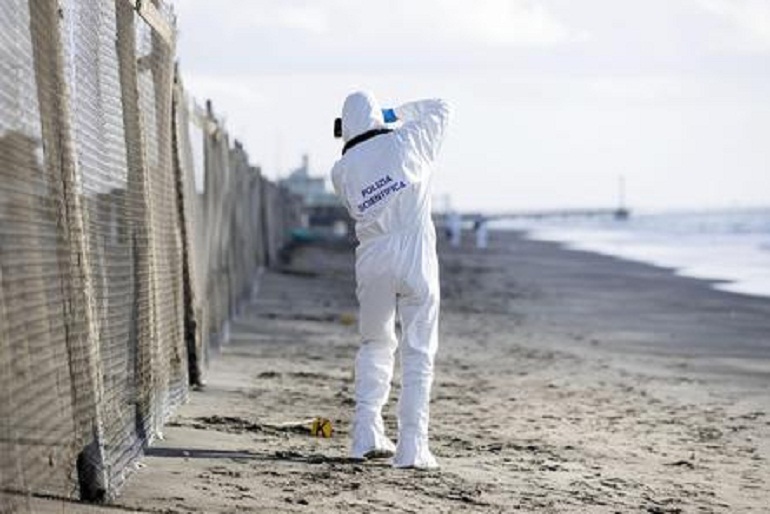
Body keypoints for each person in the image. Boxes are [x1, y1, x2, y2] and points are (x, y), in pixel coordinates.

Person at [330, 91, 451, 469]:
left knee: (376, 343)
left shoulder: (341, 170)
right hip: (415, 252)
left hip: (372, 257)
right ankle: (412, 446)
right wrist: (394, 113)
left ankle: (366, 431)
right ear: (376, 119)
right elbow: (441, 107)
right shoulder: (408, 141)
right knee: (419, 350)